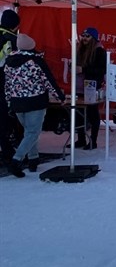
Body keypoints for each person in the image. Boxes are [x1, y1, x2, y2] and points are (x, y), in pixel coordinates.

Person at [4, 33, 65, 178]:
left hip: (17, 103)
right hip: (35, 101)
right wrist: (60, 96)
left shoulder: (9, 61)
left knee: (28, 132)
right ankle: (16, 161)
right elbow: (48, 81)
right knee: (33, 132)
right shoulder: (36, 61)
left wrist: (9, 101)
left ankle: (33, 159)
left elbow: (7, 84)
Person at [76, 27, 107, 149]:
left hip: (92, 87)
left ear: (93, 38)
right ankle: (81, 139)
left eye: (87, 36)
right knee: (78, 114)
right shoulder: (80, 50)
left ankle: (93, 141)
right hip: (79, 87)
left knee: (92, 113)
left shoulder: (99, 51)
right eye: (83, 35)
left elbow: (101, 70)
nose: (84, 38)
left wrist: (83, 69)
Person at [0, 9, 21, 163]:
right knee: (8, 116)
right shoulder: (13, 39)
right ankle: (10, 149)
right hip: (6, 84)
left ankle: (6, 146)